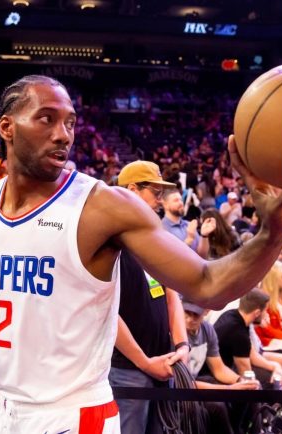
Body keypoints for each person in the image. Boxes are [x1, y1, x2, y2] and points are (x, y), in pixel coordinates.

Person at [0, 75, 282, 434]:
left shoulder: (103, 206)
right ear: (7, 128)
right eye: (47, 118)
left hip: (72, 414)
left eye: (70, 122)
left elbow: (208, 285)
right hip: (6, 408)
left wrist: (274, 232)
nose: (63, 134)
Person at [109, 160, 194, 434]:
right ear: (133, 190)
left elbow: (172, 297)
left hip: (164, 363)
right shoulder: (109, 244)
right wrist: (144, 363)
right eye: (155, 193)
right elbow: (107, 314)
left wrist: (182, 345)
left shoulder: (155, 240)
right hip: (128, 370)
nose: (160, 200)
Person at [183, 300, 259, 434]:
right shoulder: (176, 334)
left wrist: (240, 381)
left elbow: (219, 369)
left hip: (197, 380)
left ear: (206, 312)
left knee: (248, 392)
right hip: (180, 388)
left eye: (196, 315)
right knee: (217, 406)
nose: (190, 319)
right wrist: (228, 389)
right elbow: (184, 383)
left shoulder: (207, 330)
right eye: (187, 313)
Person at [214, 288, 282, 386]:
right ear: (257, 313)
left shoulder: (233, 315)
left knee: (273, 373)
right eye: (265, 311)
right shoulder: (238, 332)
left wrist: (275, 366)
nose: (266, 314)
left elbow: (253, 356)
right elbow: (246, 374)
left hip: (224, 368)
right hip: (217, 375)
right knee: (270, 379)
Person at [161, 188, 214, 258]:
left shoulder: (188, 224)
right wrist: (189, 239)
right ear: (165, 205)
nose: (181, 203)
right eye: (176, 200)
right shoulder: (162, 228)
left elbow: (202, 255)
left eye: (181, 200)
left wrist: (204, 235)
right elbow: (170, 259)